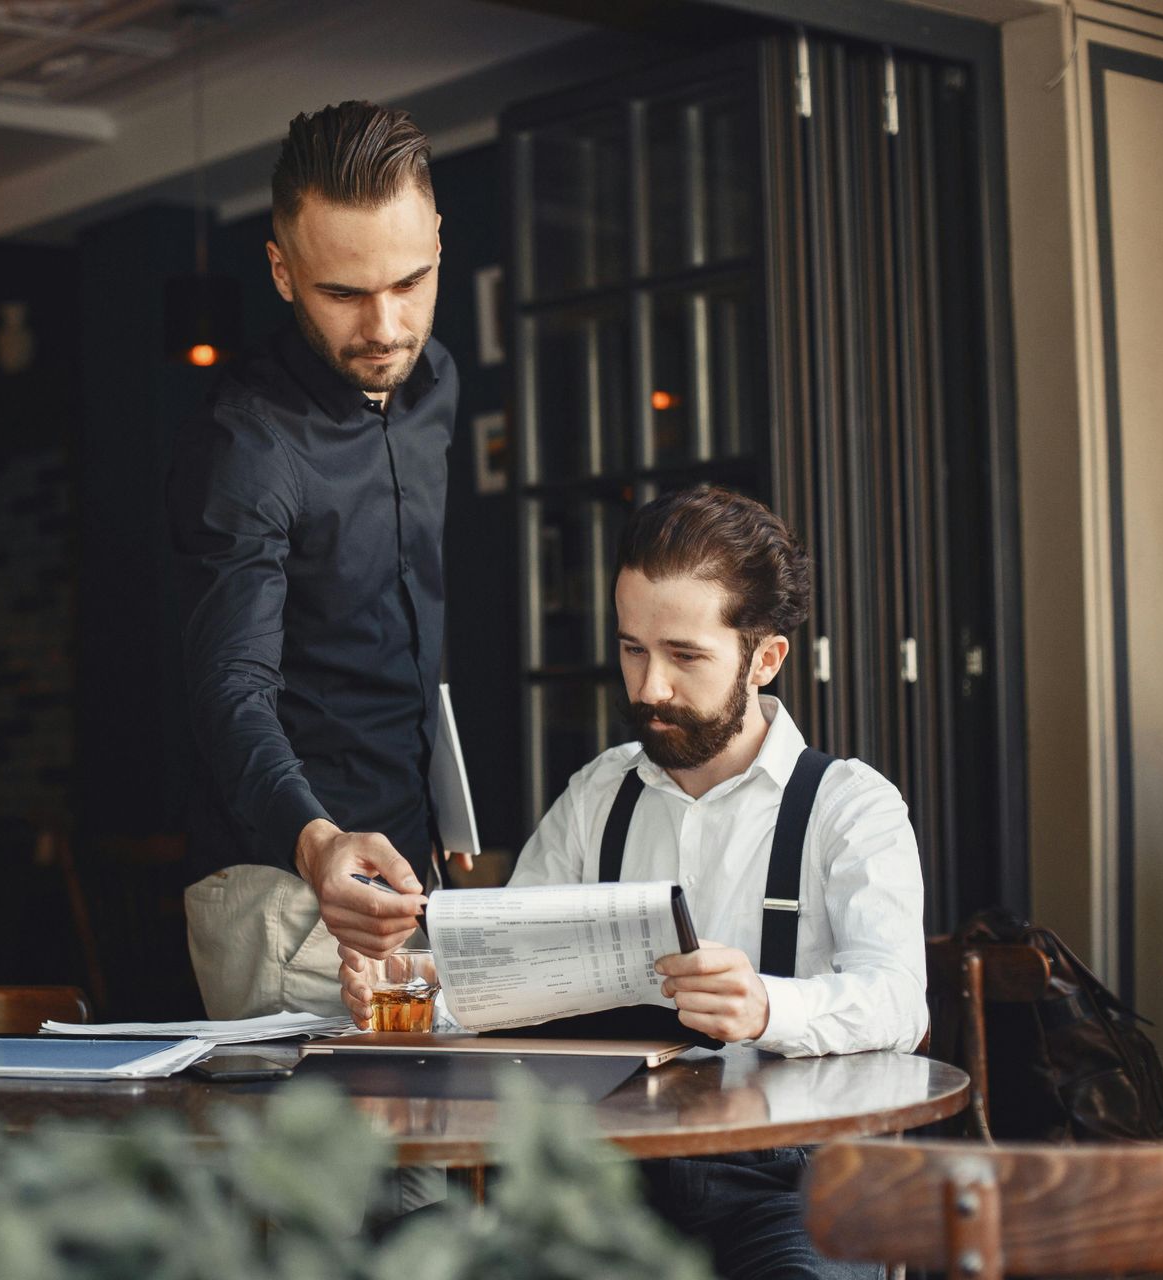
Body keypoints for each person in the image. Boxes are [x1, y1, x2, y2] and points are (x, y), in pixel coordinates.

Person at [341, 484, 926, 1279]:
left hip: (790, 1186)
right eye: (631, 649)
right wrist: (411, 988)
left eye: (685, 656)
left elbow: (899, 1001)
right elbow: (508, 980)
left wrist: (767, 1006)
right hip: (602, 1180)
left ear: (766, 658)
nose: (649, 688)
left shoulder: (850, 807)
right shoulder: (597, 796)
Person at [169, 101, 461, 1020]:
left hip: (415, 888)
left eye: (409, 282)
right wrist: (318, 841)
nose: (384, 324)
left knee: (438, 1163)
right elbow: (229, 692)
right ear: (283, 272)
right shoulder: (249, 446)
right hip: (287, 895)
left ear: (440, 244)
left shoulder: (434, 383)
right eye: (343, 294)